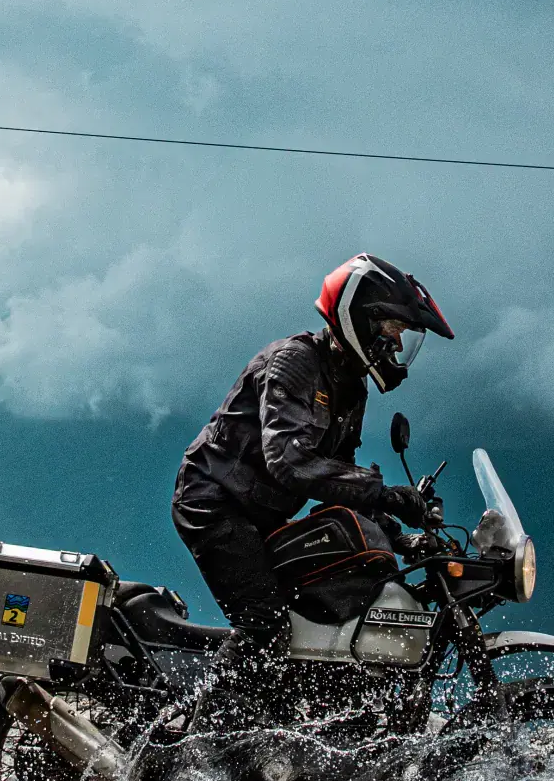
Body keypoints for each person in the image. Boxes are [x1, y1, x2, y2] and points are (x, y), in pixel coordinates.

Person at [170, 253, 453, 645]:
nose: (398, 342)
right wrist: (386, 494)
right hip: (214, 504)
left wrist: (399, 538)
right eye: (393, 327)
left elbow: (340, 472)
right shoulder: (295, 362)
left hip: (261, 513)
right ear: (361, 317)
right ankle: (210, 708)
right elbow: (290, 459)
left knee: (319, 605)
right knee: (265, 624)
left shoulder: (352, 386)